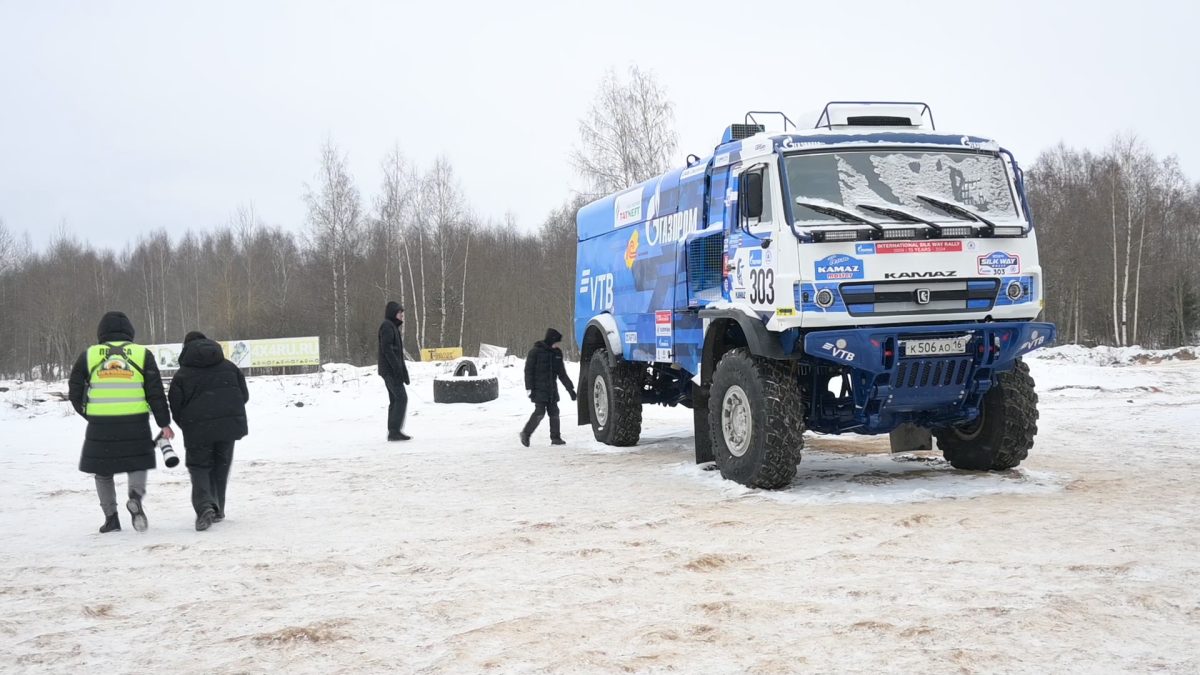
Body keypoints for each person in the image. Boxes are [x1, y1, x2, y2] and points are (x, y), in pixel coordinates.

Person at [67, 311, 173, 534]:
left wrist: (88, 413)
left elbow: (74, 390)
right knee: (137, 463)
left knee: (102, 472)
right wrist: (164, 423)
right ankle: (134, 497)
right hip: (135, 422)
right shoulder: (142, 354)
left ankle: (111, 518)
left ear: (101, 332)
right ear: (130, 332)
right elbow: (155, 392)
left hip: (101, 425)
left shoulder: (89, 355)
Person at [167, 331, 249, 531]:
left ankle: (204, 507)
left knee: (199, 467)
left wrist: (187, 422)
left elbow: (175, 404)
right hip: (228, 428)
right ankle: (218, 508)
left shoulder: (183, 374)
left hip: (197, 428)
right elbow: (244, 395)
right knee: (221, 465)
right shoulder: (229, 367)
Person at [520, 328, 577, 447]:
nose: (557, 345)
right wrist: (529, 388)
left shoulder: (557, 354)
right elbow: (528, 371)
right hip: (538, 389)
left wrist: (570, 390)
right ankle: (526, 433)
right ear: (551, 340)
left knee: (554, 412)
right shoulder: (535, 352)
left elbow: (562, 373)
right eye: (556, 342)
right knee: (540, 412)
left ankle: (556, 438)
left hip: (551, 389)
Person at [378, 300, 411, 441]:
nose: (402, 315)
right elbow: (387, 349)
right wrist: (397, 369)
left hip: (391, 370)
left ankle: (393, 431)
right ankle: (394, 431)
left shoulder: (392, 327)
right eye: (399, 312)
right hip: (390, 371)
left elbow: (396, 352)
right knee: (401, 398)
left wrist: (403, 372)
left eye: (402, 312)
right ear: (393, 313)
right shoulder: (387, 326)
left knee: (395, 399)